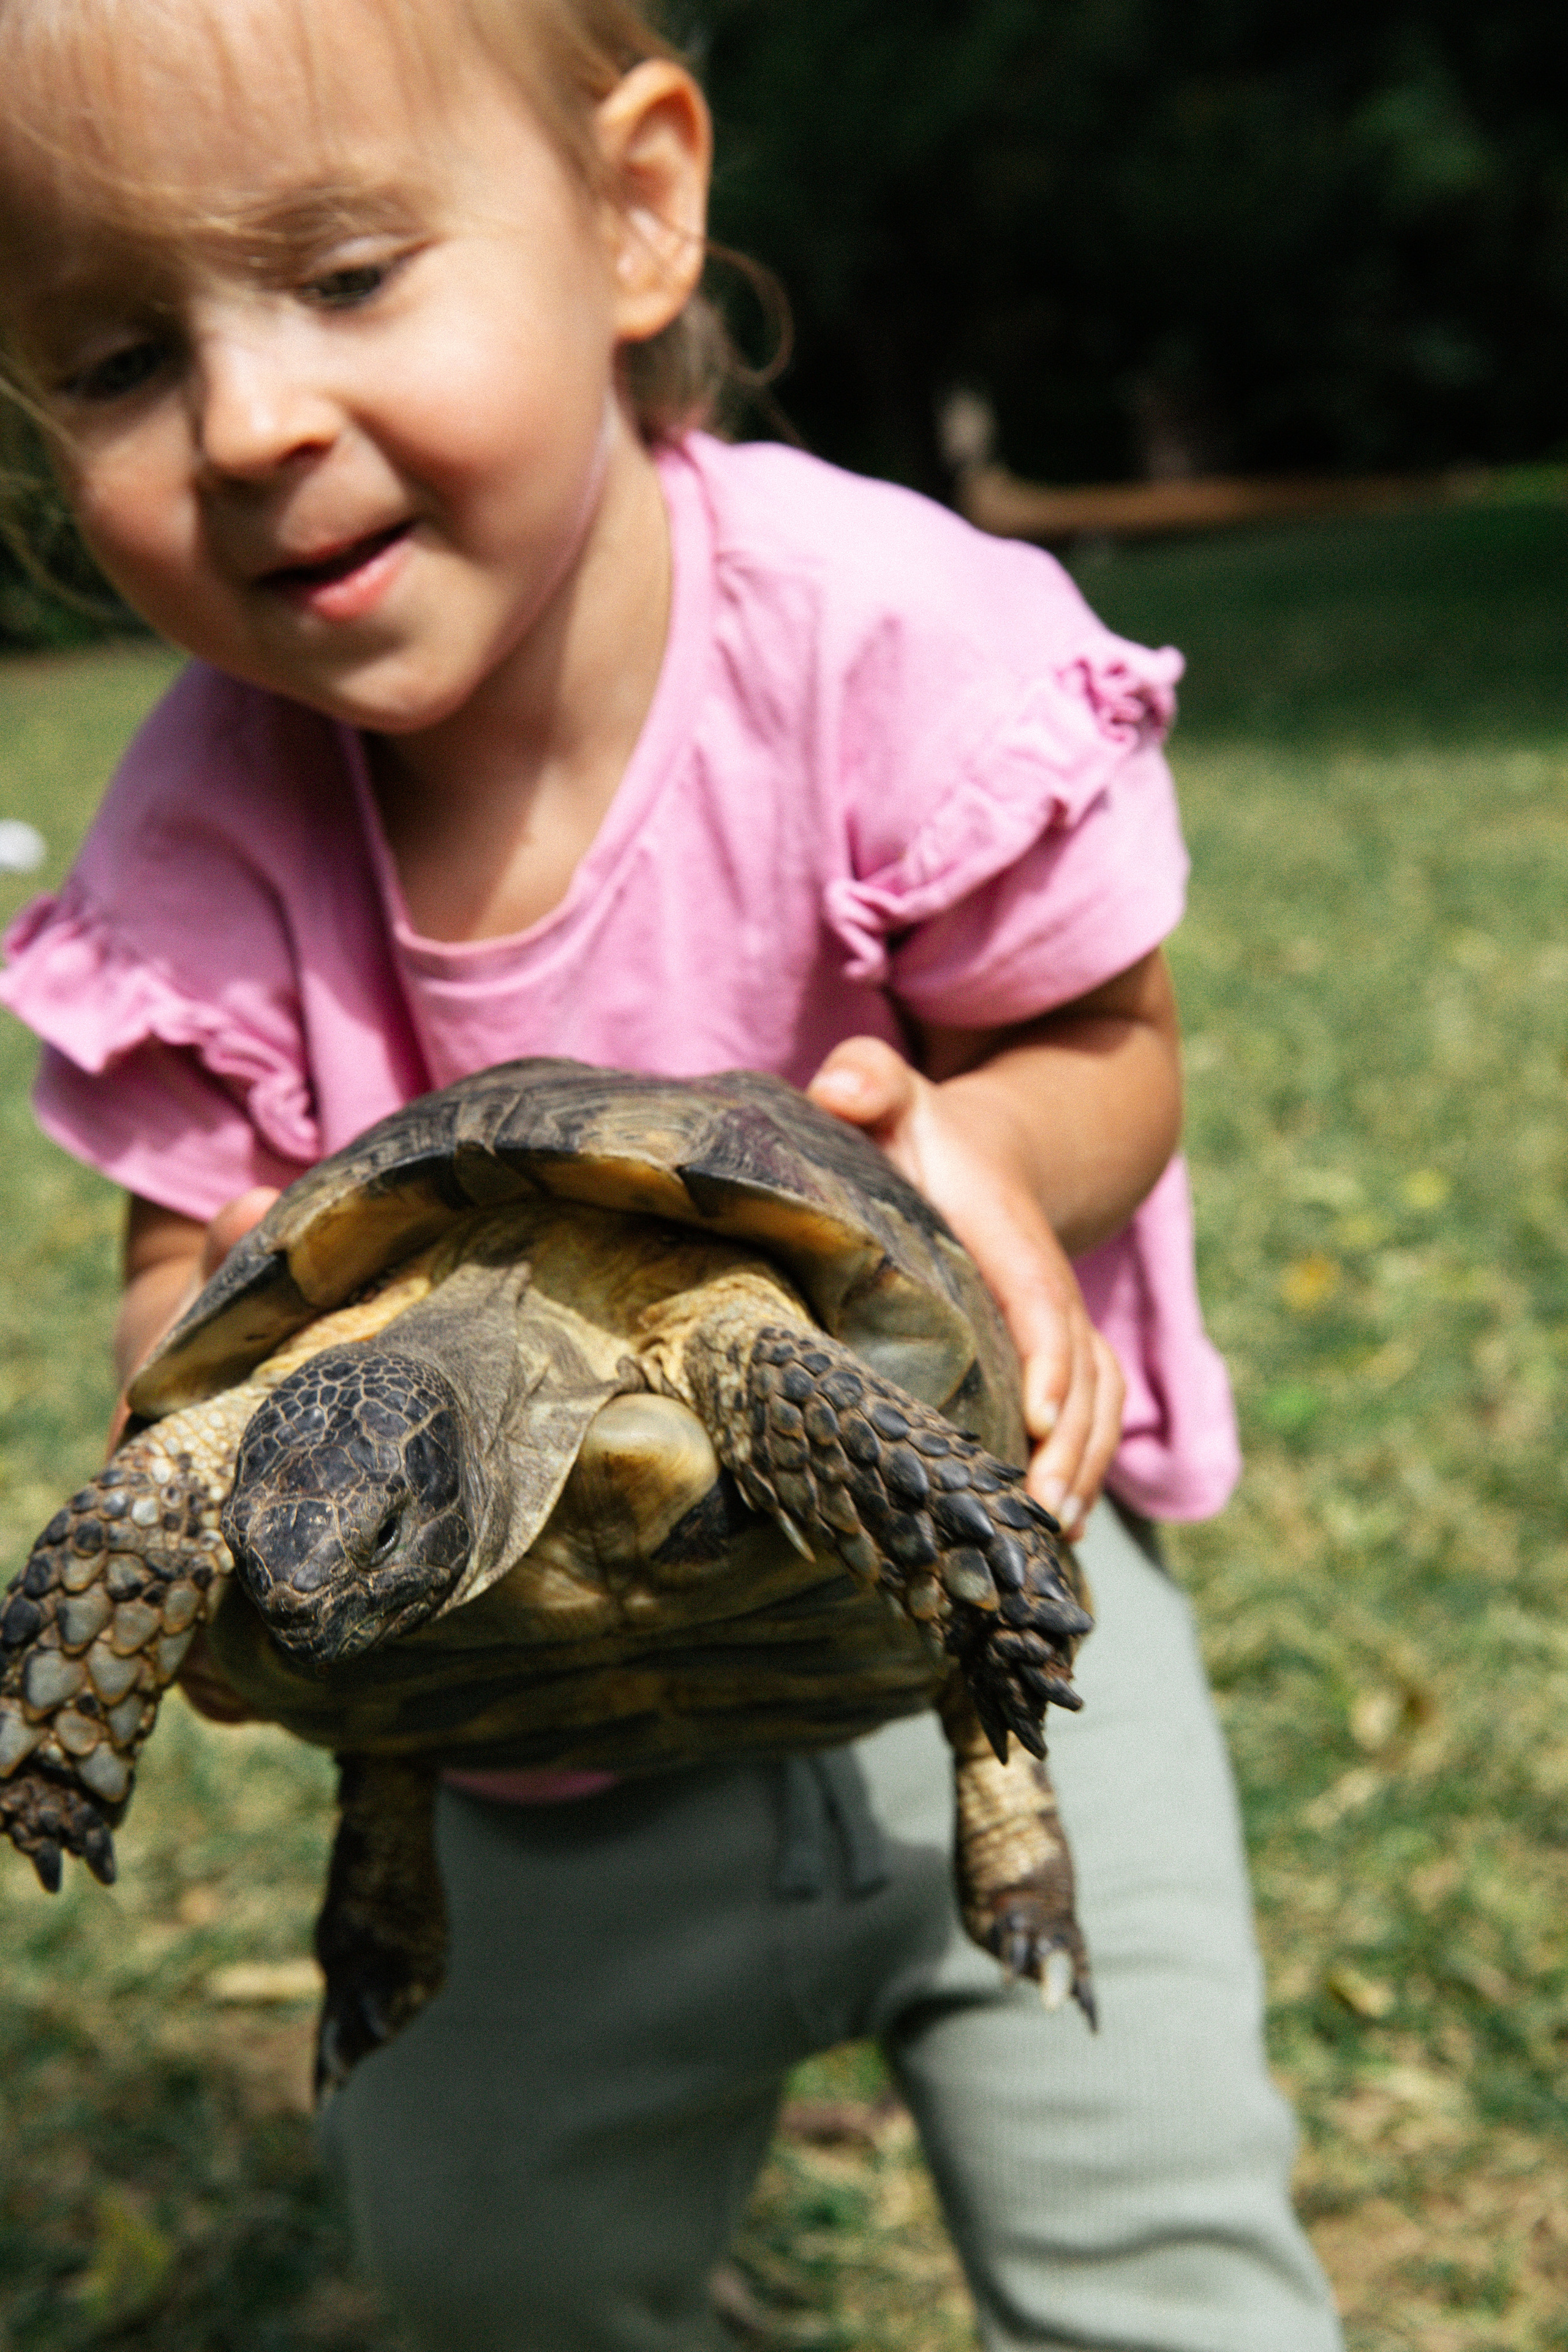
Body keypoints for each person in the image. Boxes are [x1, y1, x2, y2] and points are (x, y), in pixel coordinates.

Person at [0, 2, 1342, 2346]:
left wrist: (995, 1156)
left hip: (990, 1690)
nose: (248, 421)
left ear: (636, 208)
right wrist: (157, 1530)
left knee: (1164, 2258)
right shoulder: (190, 844)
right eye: (118, 359)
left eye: (341, 275)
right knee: (494, 2271)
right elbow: (180, 1322)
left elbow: (1099, 1038)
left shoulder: (886, 631)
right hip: (510, 1789)